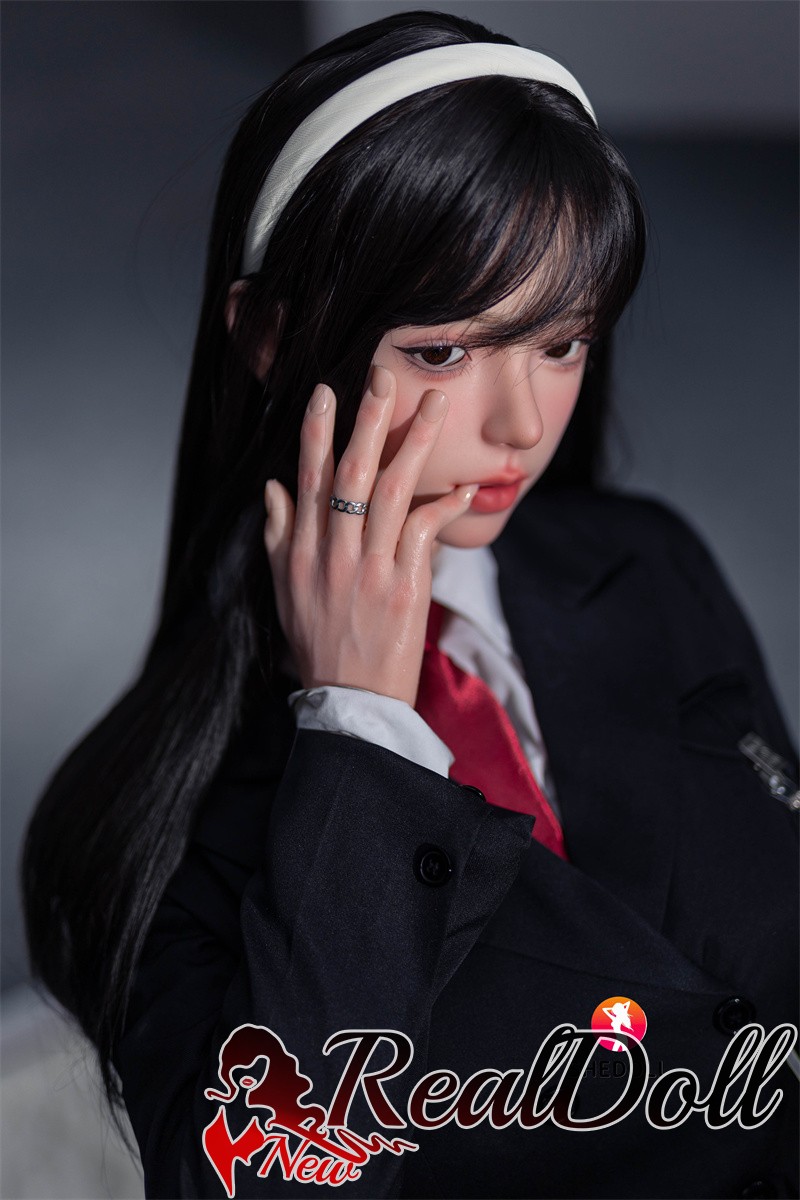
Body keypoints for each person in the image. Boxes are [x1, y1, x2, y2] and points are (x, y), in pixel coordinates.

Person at [20, 9, 798, 1199]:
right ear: (270, 336)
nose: (519, 425)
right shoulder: (144, 826)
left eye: (561, 342)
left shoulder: (642, 564)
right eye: (441, 351)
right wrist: (361, 736)